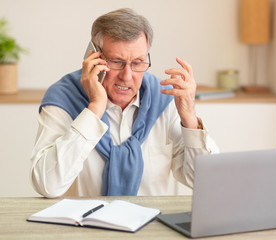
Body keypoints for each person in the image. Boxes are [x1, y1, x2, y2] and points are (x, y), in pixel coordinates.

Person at [30, 8, 219, 198]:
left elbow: (207, 182)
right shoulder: (63, 98)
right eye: (116, 62)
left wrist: (190, 120)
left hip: (150, 224)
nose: (127, 76)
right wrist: (94, 107)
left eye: (137, 63)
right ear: (93, 57)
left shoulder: (164, 100)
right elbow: (48, 186)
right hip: (81, 226)